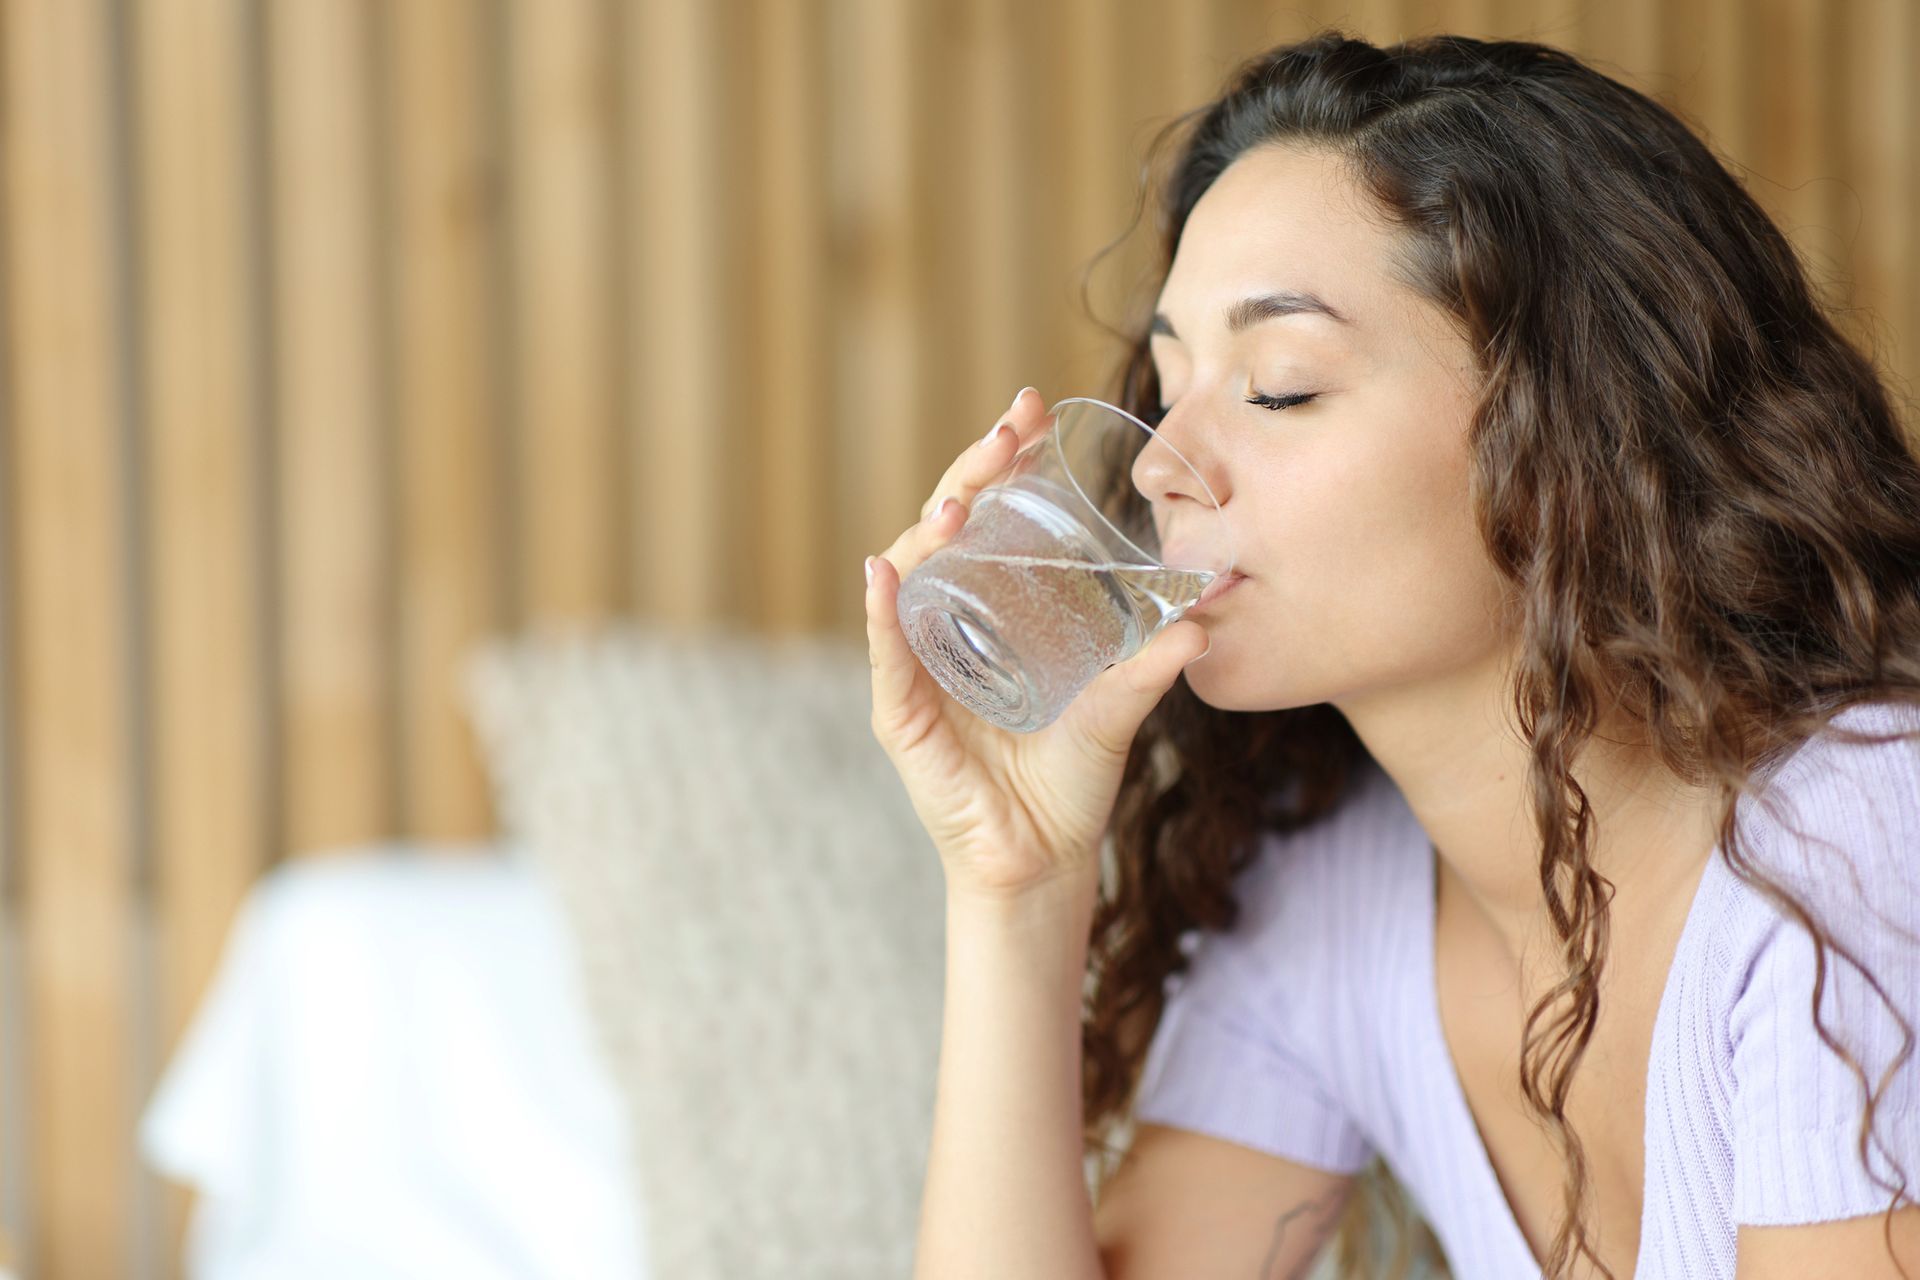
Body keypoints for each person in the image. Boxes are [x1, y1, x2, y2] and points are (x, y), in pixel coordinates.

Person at [863, 30, 1920, 1280]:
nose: (1156, 465)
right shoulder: (1333, 900)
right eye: (1166, 383)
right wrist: (1016, 890)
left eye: (1282, 387)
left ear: (1573, 429)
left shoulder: (1859, 831)